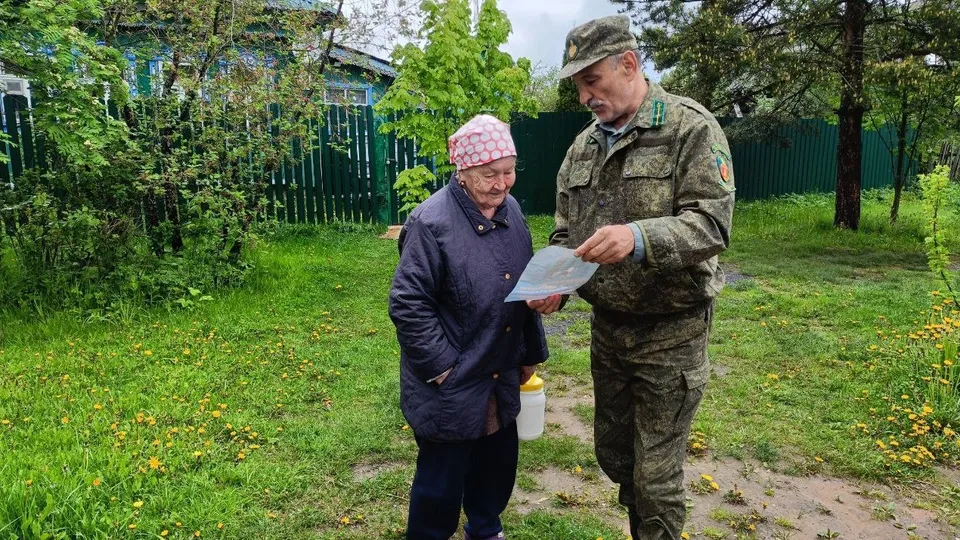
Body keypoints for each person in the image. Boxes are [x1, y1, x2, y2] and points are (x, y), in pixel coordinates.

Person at [526, 15, 735, 540]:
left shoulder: (690, 127)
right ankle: (641, 525)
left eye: (591, 80)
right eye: (577, 85)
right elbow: (564, 232)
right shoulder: (581, 148)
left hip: (672, 334)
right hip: (609, 333)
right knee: (615, 456)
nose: (584, 96)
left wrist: (638, 238)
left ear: (628, 63)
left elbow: (711, 225)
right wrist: (557, 280)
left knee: (657, 475)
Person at [389, 114, 549, 540]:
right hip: (452, 380)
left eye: (509, 171)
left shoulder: (511, 210)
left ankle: (485, 528)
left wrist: (530, 355)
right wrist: (443, 369)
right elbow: (408, 304)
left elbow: (524, 282)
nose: (502, 184)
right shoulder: (430, 223)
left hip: (500, 367)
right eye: (489, 174)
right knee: (440, 484)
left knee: (496, 467)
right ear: (462, 171)